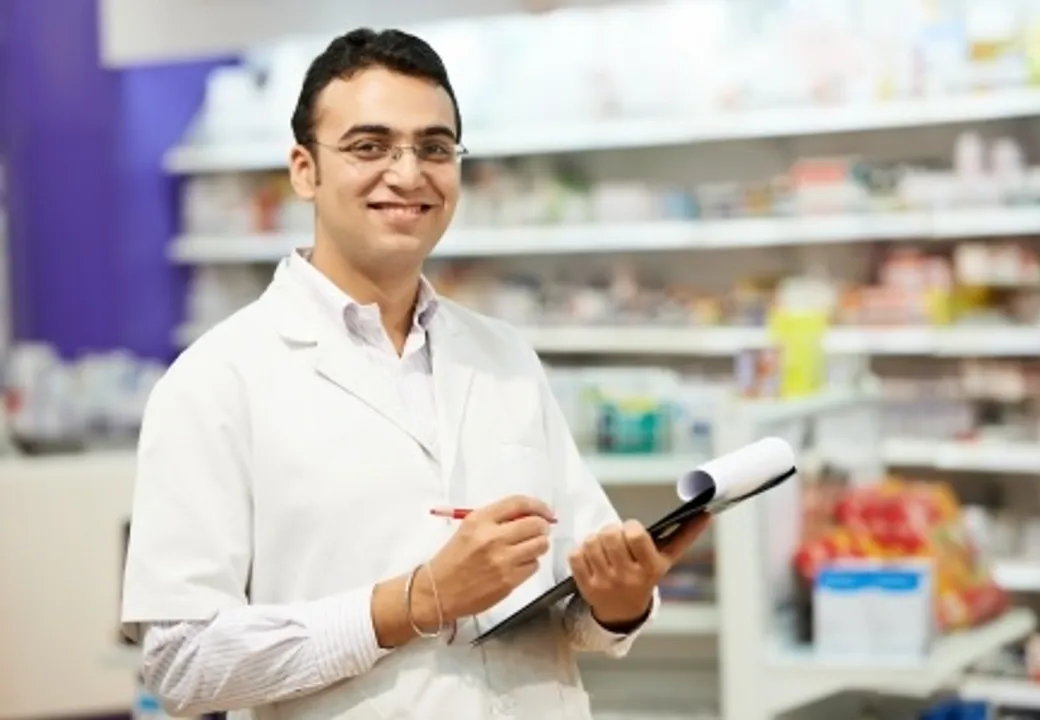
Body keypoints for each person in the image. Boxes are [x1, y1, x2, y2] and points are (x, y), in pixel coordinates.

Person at [120, 27, 711, 720]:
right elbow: (182, 664)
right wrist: (418, 599)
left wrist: (620, 599)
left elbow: (581, 611)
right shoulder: (217, 381)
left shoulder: (505, 357)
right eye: (370, 147)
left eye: (434, 148)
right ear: (304, 169)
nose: (408, 173)